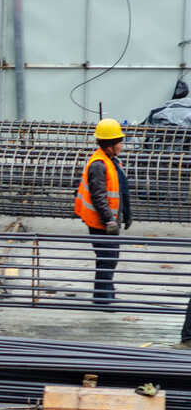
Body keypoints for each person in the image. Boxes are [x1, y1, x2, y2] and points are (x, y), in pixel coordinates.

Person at [74, 118, 131, 304]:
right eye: (120, 142)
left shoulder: (110, 160)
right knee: (107, 259)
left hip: (106, 221)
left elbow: (118, 191)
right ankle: (104, 298)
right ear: (109, 144)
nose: (122, 146)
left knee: (108, 258)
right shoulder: (99, 165)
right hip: (100, 222)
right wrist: (109, 220)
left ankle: (102, 295)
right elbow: (99, 197)